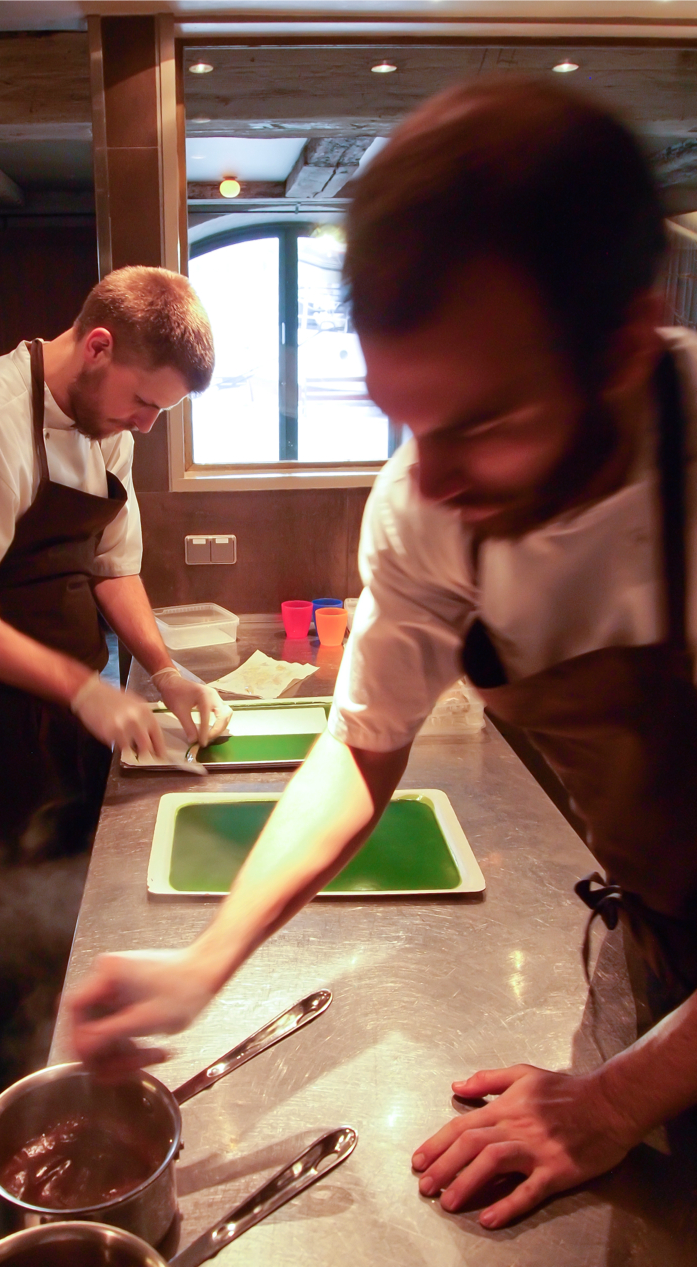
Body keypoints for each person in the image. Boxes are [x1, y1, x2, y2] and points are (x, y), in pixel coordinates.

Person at [67, 79, 697, 1227]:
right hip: (652, 936)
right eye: (406, 420)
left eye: (480, 424)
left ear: (617, 346)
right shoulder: (427, 495)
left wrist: (611, 1099)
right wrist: (206, 961)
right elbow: (362, 748)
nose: (429, 482)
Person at [0, 266, 232, 1088]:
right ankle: (23, 1096)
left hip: (85, 706)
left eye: (159, 412)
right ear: (98, 345)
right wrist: (82, 688)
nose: (145, 425)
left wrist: (164, 668)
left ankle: (85, 1071)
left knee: (84, 899)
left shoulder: (108, 423)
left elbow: (112, 565)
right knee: (16, 931)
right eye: (143, 403)